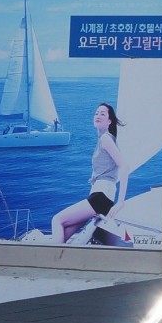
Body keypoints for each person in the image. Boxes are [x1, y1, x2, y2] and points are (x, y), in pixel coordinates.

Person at [53, 103, 127, 244]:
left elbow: (124, 166)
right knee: (65, 231)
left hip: (101, 198)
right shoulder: (104, 139)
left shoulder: (106, 138)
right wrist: (95, 178)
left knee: (57, 220)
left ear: (109, 121)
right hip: (101, 197)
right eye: (96, 113)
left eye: (102, 114)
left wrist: (121, 202)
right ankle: (57, 254)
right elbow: (110, 168)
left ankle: (53, 256)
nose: (98, 115)